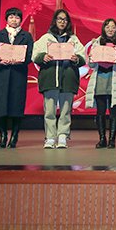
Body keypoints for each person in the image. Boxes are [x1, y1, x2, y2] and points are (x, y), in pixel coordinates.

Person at [32, 9, 85, 149]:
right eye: (60, 19)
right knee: (49, 111)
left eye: (65, 20)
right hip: (50, 79)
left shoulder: (73, 40)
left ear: (68, 22)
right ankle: (50, 138)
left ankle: (62, 136)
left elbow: (83, 57)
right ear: (55, 21)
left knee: (65, 111)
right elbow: (34, 55)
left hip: (68, 79)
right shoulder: (46, 38)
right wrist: (43, 57)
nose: (62, 22)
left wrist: (76, 58)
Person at [0, 7, 33, 148]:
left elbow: (30, 54)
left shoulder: (26, 36)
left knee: (16, 106)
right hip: (1, 74)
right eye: (11, 17)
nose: (14, 20)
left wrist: (21, 60)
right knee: (0, 106)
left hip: (18, 75)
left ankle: (14, 135)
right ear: (6, 19)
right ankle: (3, 135)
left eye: (17, 17)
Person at [85, 18, 116, 149]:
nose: (110, 29)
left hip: (114, 79)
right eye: (107, 27)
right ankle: (102, 139)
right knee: (100, 111)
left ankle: (112, 140)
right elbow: (90, 64)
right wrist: (92, 58)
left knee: (113, 112)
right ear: (103, 29)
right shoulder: (97, 42)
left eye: (113, 27)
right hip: (100, 78)